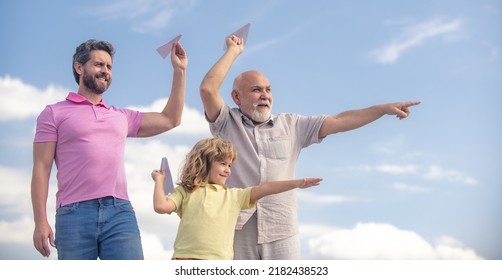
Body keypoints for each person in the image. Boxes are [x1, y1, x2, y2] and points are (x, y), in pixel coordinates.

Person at [199, 34, 421, 260]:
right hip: (236, 227)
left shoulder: (293, 124)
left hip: (281, 228)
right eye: (257, 89)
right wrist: (233, 52)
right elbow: (208, 89)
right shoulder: (225, 123)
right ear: (236, 96)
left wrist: (381, 109)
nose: (265, 95)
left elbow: (339, 121)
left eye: (268, 89)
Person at [31, 39, 188, 260]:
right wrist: (40, 221)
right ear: (79, 67)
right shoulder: (53, 114)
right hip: (74, 214)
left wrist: (179, 71)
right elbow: (41, 168)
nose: (105, 71)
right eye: (99, 65)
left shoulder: (120, 116)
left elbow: (171, 119)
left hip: (119, 213)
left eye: (109, 67)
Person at [150, 137, 322, 260]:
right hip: (184, 260)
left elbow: (265, 188)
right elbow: (161, 206)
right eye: (222, 163)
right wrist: (159, 181)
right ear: (204, 163)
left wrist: (299, 182)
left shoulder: (234, 196)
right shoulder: (186, 191)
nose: (227, 170)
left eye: (230, 165)